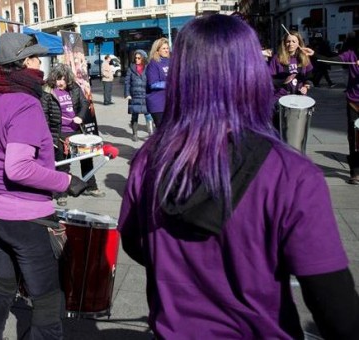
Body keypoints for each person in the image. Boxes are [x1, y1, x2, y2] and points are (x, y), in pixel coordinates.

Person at [118, 14, 359, 339]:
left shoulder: (148, 159)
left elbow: (136, 245)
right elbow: (338, 313)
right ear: (252, 75)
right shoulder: (291, 174)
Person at [0, 32, 87, 339]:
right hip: (24, 218)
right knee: (47, 300)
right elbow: (18, 167)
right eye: (36, 57)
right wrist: (66, 180)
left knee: (3, 283)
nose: (41, 62)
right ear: (23, 63)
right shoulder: (26, 103)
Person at [42, 63, 105, 206]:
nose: (61, 82)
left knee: (87, 159)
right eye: (58, 79)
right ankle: (61, 193)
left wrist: (81, 117)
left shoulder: (74, 87)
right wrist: (48, 136)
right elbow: (44, 114)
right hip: (60, 133)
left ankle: (91, 186)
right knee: (63, 164)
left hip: (77, 131)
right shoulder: (48, 91)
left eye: (63, 79)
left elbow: (84, 103)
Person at [305, 38, 359, 184]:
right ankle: (355, 171)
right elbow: (331, 60)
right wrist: (314, 54)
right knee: (354, 137)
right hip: (354, 102)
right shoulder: (351, 55)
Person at [269, 31, 313, 103]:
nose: (291, 44)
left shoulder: (304, 57)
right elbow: (269, 80)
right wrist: (283, 81)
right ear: (284, 43)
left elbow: (309, 77)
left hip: (300, 97)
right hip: (280, 97)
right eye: (288, 41)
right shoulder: (276, 58)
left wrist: (306, 87)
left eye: (294, 41)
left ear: (299, 43)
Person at [124, 49, 150, 141]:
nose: (137, 59)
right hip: (134, 95)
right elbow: (127, 82)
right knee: (135, 115)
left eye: (139, 58)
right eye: (135, 58)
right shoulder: (131, 68)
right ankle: (135, 134)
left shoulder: (148, 67)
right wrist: (127, 94)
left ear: (143, 58)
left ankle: (151, 134)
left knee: (148, 114)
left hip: (145, 94)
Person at [145, 37, 170, 127]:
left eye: (167, 48)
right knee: (164, 134)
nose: (166, 50)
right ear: (157, 50)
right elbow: (153, 84)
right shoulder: (153, 64)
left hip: (171, 103)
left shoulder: (171, 61)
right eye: (163, 48)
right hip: (158, 104)